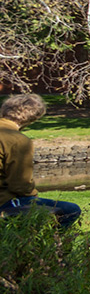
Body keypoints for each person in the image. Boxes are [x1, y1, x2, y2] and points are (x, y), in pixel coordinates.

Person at [0, 94, 81, 229]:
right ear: (33, 117)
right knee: (70, 210)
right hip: (3, 202)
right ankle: (49, 246)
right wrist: (33, 197)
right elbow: (20, 185)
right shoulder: (17, 140)